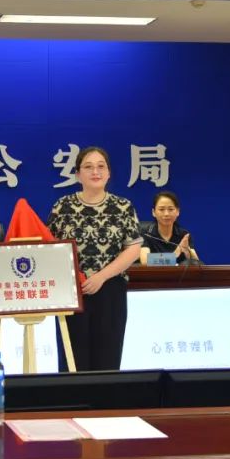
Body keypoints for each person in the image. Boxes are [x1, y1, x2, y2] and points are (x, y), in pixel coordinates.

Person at [47, 146, 142, 372]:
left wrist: (101, 277)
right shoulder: (62, 206)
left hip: (110, 290)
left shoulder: (123, 207)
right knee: (73, 361)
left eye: (101, 166)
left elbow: (133, 248)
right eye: (88, 167)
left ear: (109, 173)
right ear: (78, 174)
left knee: (107, 359)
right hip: (72, 293)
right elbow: (49, 246)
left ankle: (105, 397)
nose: (95, 172)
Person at [139, 190, 200, 264]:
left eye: (171, 209)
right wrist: (175, 254)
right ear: (153, 212)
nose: (166, 214)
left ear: (178, 212)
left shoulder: (183, 235)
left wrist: (189, 251)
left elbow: (197, 263)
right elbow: (145, 261)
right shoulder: (145, 233)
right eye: (161, 209)